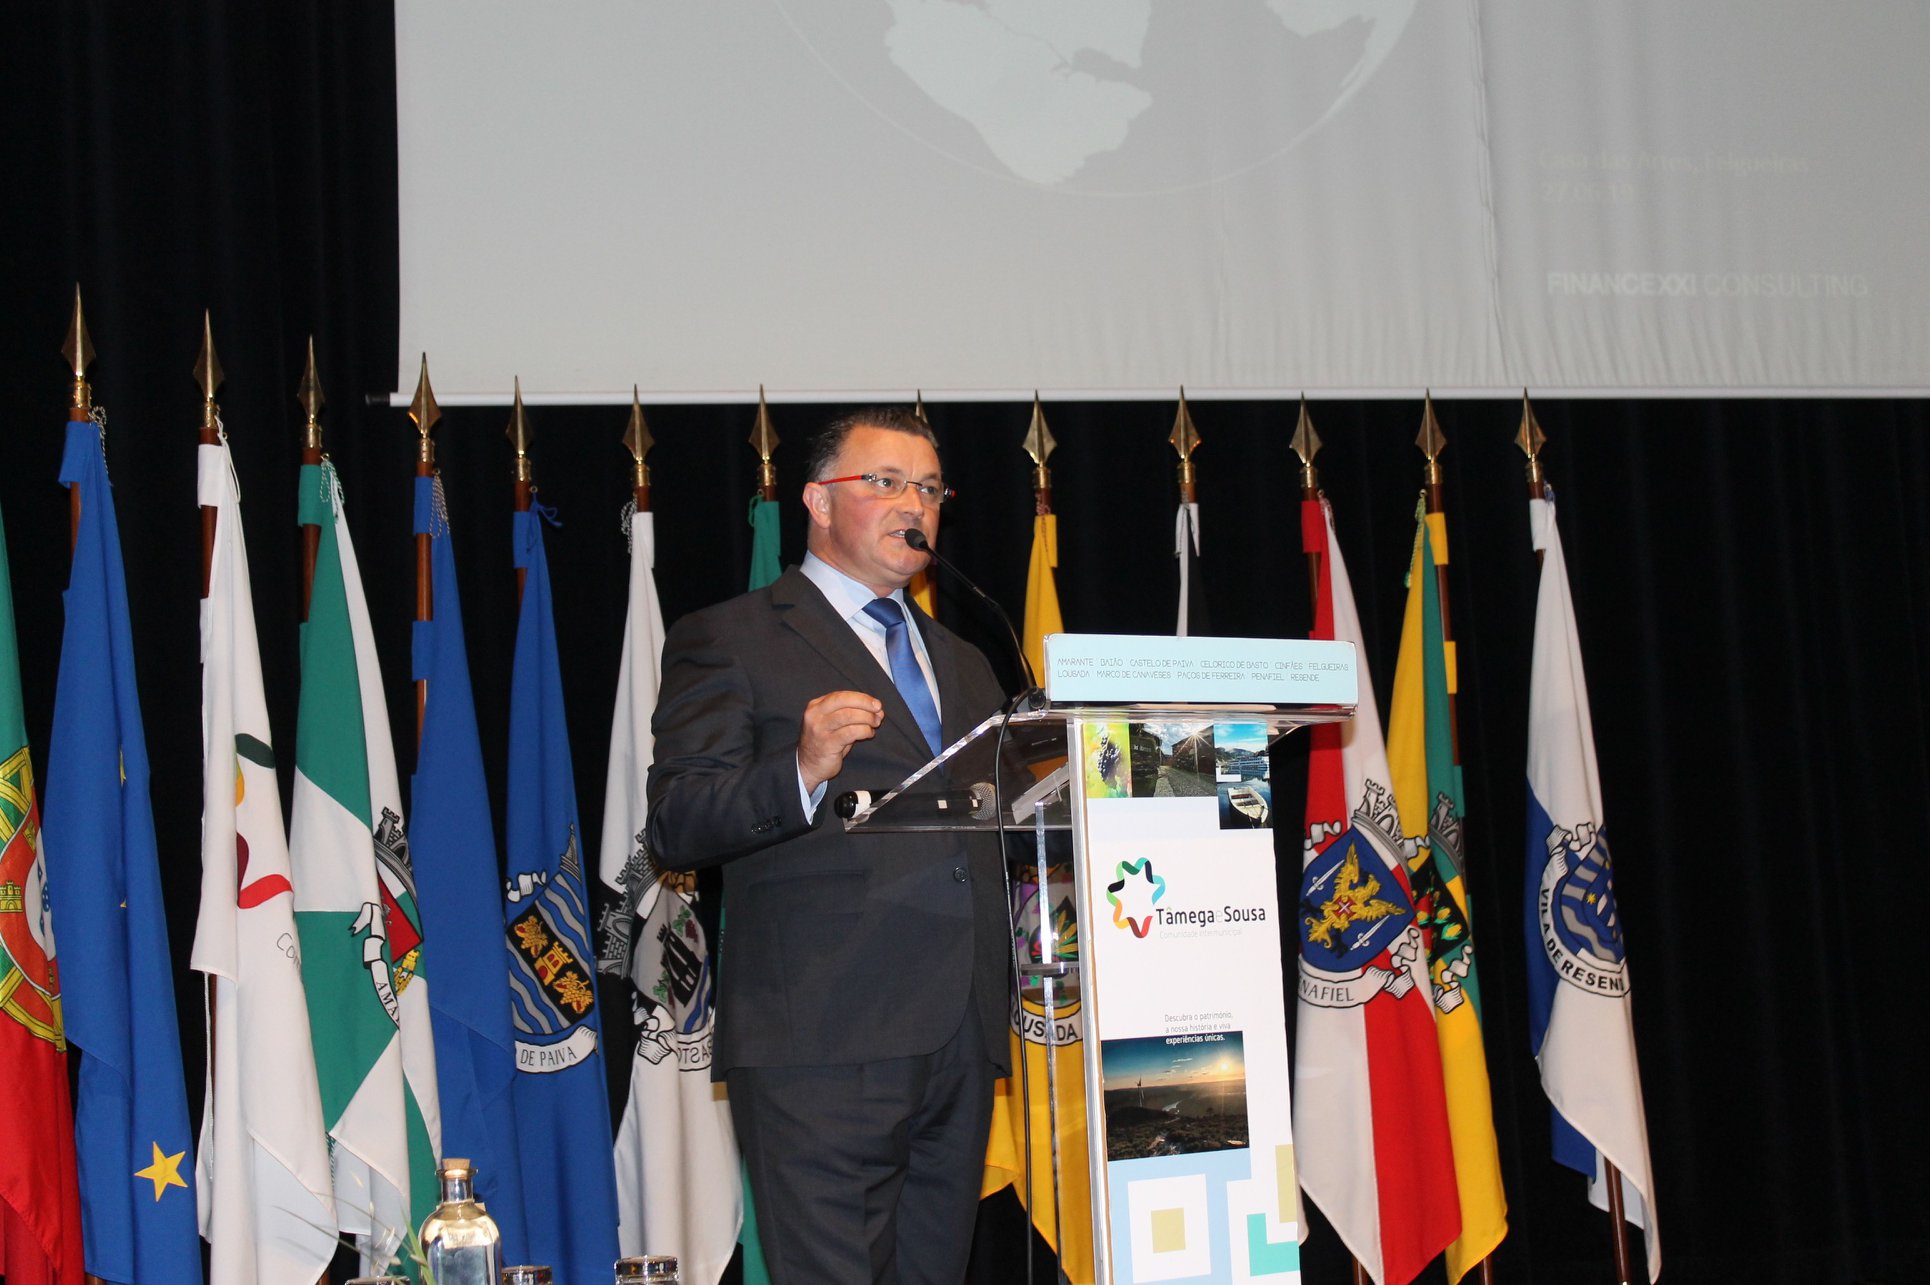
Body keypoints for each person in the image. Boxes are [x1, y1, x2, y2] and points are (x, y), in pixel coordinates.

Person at [646, 408, 1012, 1284]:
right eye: (885, 482)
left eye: (929, 488)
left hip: (959, 1034)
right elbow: (677, 822)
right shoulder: (731, 637)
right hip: (820, 1038)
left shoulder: (966, 657)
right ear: (816, 500)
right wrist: (800, 769)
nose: (913, 503)